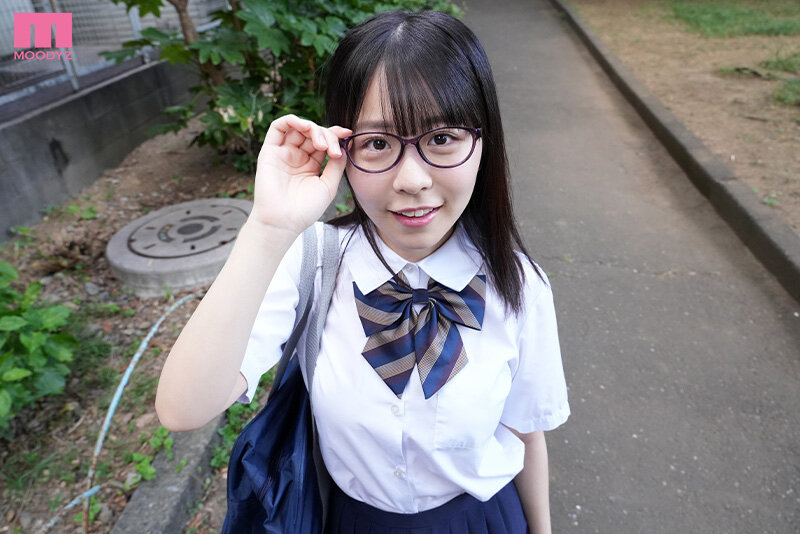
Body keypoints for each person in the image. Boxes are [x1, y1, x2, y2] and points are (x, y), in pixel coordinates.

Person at [155, 9, 569, 533]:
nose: (412, 180)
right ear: (342, 150)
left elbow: (527, 432)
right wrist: (267, 227)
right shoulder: (312, 264)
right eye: (377, 143)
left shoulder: (521, 285)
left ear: (484, 142)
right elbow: (182, 408)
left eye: (442, 137)